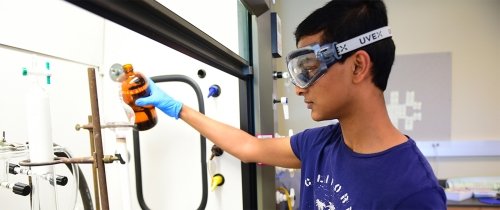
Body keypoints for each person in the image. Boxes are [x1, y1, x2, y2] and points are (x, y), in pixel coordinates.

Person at [136, 0, 446, 209]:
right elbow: (248, 147)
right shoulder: (320, 144)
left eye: (309, 68)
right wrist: (178, 107)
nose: (300, 90)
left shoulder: (414, 191)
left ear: (357, 66)